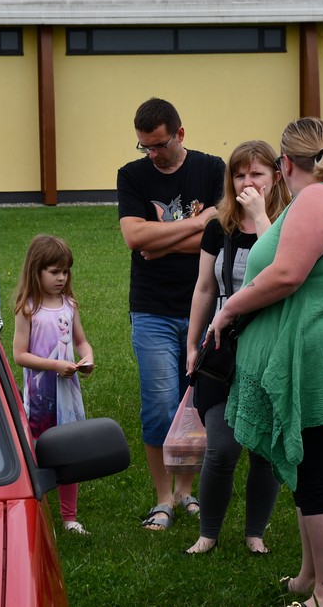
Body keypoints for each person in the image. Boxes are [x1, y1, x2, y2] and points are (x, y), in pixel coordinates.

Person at [209, 118, 323, 607]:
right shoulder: (322, 196)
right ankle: (310, 577)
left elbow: (286, 274)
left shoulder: (320, 197)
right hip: (312, 351)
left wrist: (228, 308)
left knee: (320, 477)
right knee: (308, 475)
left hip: (317, 355)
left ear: (284, 163)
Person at [117, 97, 226, 531]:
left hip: (204, 307)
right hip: (153, 310)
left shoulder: (212, 168)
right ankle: (162, 499)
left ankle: (185, 491)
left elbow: (224, 232)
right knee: (159, 406)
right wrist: (199, 224)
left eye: (159, 145)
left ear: (180, 134)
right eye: (144, 146)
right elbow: (134, 237)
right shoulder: (132, 175)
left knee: (194, 404)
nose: (152, 154)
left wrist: (160, 242)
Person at [183, 140, 291, 555]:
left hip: (268, 348)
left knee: (263, 449)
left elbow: (282, 268)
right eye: (239, 174)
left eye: (256, 174)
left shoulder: (288, 222)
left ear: (275, 177)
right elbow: (204, 288)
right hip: (222, 349)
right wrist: (192, 343)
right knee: (222, 447)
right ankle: (208, 533)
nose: (247, 182)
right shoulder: (219, 227)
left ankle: (254, 533)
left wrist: (261, 217)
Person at [12, 234, 95, 535]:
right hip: (41, 398)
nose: (62, 278)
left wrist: (87, 357)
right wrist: (55, 366)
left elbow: (80, 341)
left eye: (66, 271)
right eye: (54, 272)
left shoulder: (68, 305)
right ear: (36, 271)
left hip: (67, 395)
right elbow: (19, 355)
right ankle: (39, 512)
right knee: (41, 451)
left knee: (69, 450)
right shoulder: (28, 309)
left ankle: (69, 517)